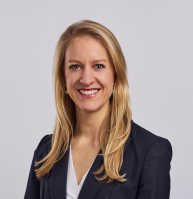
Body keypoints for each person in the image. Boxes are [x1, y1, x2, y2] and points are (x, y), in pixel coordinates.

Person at [24, 20, 172, 199]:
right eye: (75, 66)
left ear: (116, 76)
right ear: (64, 78)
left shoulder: (150, 151)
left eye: (98, 66)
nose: (86, 79)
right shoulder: (47, 150)